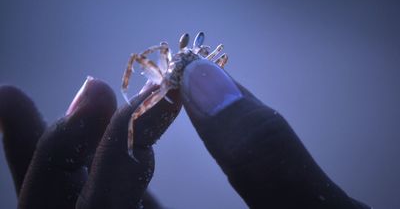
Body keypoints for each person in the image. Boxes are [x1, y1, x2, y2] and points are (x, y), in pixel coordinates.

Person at [0, 59, 370, 209]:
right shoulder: (166, 61)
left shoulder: (205, 60)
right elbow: (141, 59)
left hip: (173, 94)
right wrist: (134, 91)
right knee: (131, 125)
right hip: (166, 89)